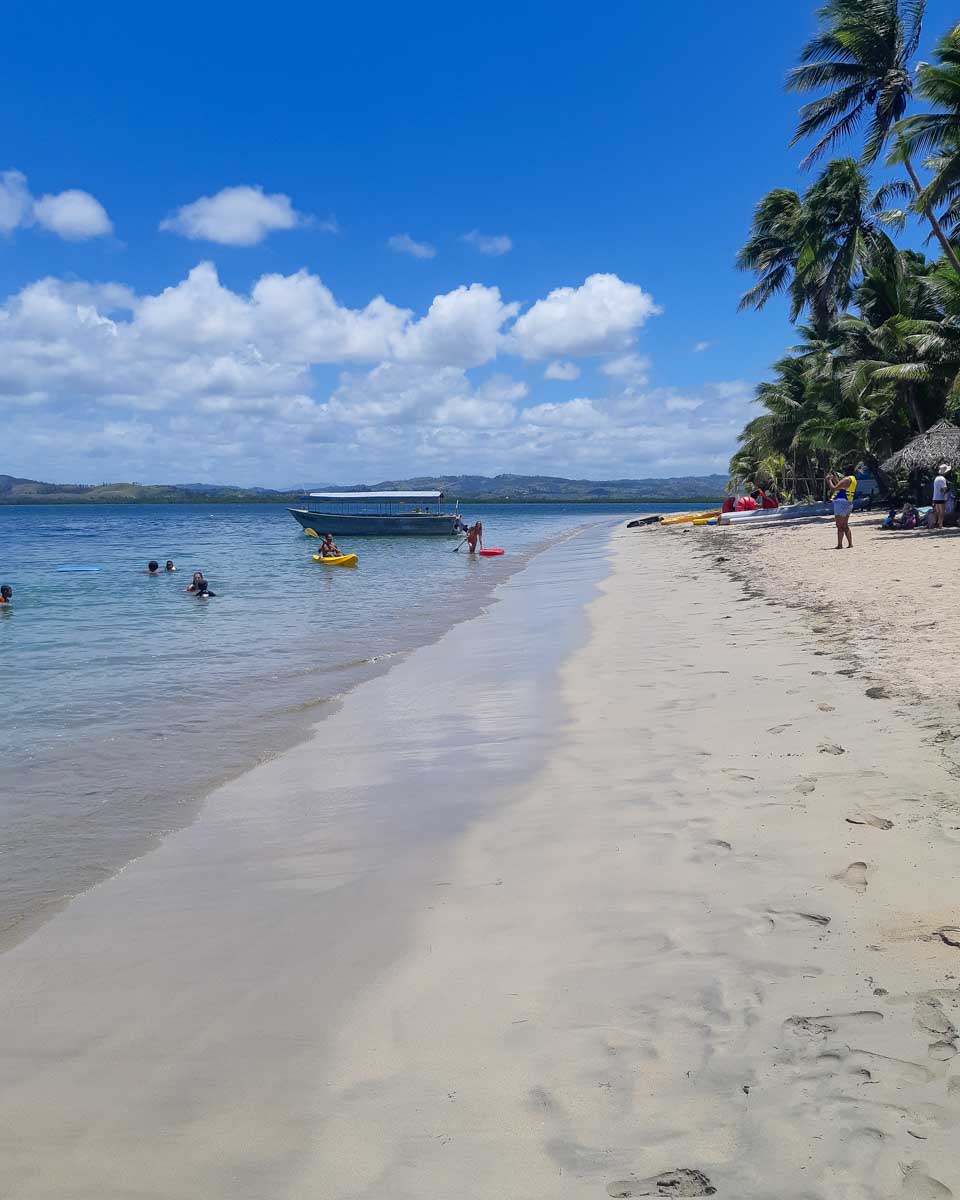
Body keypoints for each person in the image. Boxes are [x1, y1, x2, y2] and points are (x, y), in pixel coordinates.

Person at [826, 470, 856, 549]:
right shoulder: (852, 480)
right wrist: (834, 480)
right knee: (845, 525)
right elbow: (840, 488)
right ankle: (850, 544)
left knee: (839, 525)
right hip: (847, 503)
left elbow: (833, 488)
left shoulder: (847, 480)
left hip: (841, 504)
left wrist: (829, 480)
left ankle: (840, 545)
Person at [932, 464, 950, 530]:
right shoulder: (943, 479)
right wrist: (946, 491)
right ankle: (940, 525)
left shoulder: (936, 478)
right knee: (942, 512)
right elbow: (944, 489)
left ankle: (934, 524)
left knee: (937, 511)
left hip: (935, 497)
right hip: (940, 497)